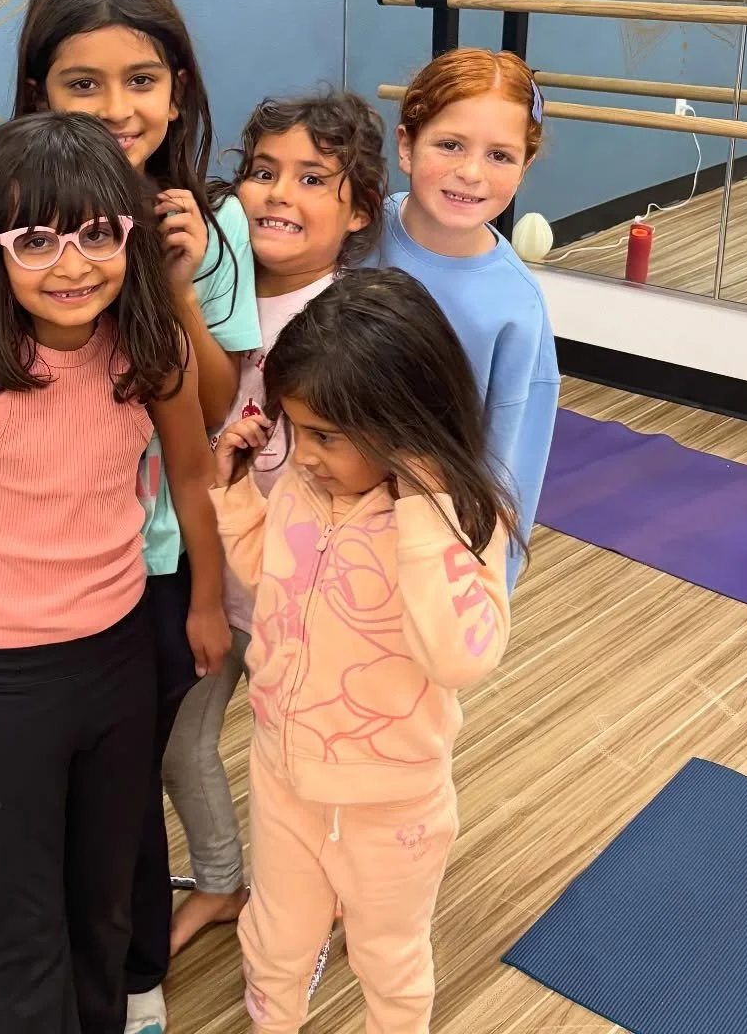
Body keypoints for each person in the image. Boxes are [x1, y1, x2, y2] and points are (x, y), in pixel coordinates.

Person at [0, 112, 230, 1034]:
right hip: (10, 675)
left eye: (98, 235)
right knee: (23, 904)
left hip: (120, 656)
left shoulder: (153, 356)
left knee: (105, 885)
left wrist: (210, 600)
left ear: (129, 237)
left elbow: (192, 476)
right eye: (35, 241)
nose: (72, 266)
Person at [11, 0, 254, 1034]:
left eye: (143, 79)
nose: (119, 108)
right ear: (38, 93)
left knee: (130, 787)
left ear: (181, 87)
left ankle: (138, 978)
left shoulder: (211, 224)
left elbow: (207, 420)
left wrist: (180, 283)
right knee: (44, 789)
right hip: (38, 570)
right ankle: (56, 960)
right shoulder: (10, 214)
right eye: (84, 84)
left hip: (156, 561)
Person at [211, 270, 514, 1034]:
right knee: (276, 940)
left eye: (325, 437)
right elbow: (274, 585)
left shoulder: (463, 522)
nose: (303, 455)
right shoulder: (306, 492)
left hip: (392, 805)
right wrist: (234, 492)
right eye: (296, 429)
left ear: (404, 420)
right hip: (284, 774)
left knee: (388, 957)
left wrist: (421, 509)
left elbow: (458, 657)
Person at [163, 91, 387, 956]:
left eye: (311, 178)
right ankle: (221, 882)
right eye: (262, 172)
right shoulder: (223, 295)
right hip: (216, 581)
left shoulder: (344, 324)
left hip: (312, 604)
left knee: (309, 765)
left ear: (358, 209)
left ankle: (323, 894)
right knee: (182, 744)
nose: (277, 194)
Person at [378, 48, 559, 589]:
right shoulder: (355, 231)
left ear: (524, 167)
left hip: (421, 554)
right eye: (451, 144)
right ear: (407, 145)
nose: (471, 172)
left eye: (500, 156)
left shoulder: (515, 309)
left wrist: (482, 587)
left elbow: (508, 467)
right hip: (314, 523)